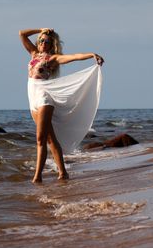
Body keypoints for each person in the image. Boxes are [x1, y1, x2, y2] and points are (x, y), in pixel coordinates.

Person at [19, 28, 104, 183]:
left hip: (45, 98)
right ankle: (63, 173)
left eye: (47, 41)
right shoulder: (33, 54)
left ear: (52, 45)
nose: (43, 43)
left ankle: (37, 177)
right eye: (41, 40)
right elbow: (22, 34)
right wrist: (41, 29)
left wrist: (91, 54)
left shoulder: (53, 59)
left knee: (40, 138)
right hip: (33, 100)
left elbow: (74, 57)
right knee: (50, 139)